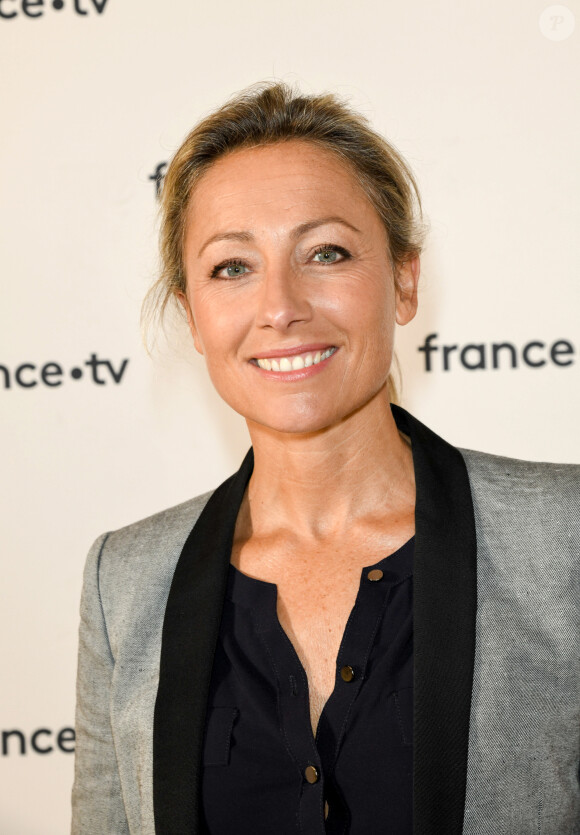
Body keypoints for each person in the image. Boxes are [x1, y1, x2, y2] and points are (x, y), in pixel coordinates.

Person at [71, 82, 580, 835]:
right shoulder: (124, 582)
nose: (280, 305)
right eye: (232, 267)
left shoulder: (563, 539)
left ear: (404, 280)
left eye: (326, 252)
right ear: (192, 314)